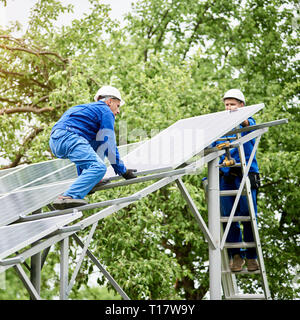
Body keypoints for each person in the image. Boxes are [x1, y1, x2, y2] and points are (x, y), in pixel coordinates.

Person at [49, 85, 137, 210]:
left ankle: (92, 180)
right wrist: (123, 170)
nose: (118, 111)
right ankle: (67, 197)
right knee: (99, 167)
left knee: (97, 141)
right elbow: (109, 143)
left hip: (57, 140)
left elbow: (92, 147)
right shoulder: (105, 111)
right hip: (69, 136)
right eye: (117, 106)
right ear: (109, 101)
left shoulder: (90, 111)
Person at [212, 89, 261, 272]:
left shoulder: (249, 123)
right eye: (226, 105)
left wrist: (240, 117)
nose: (229, 108)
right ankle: (236, 256)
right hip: (225, 176)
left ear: (242, 106)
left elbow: (250, 123)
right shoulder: (220, 128)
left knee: (247, 214)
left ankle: (251, 256)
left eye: (233, 104)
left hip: (245, 175)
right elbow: (211, 146)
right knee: (227, 217)